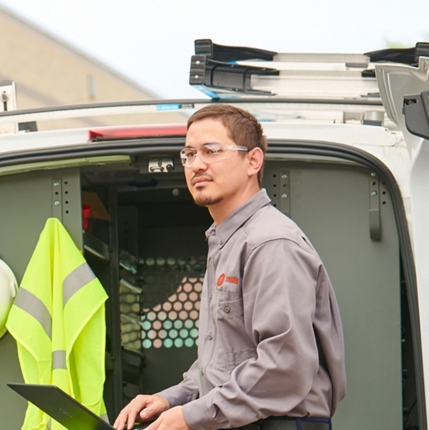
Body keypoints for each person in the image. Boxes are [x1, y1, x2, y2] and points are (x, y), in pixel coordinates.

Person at [113, 104, 346, 430]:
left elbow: (283, 367)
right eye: (189, 154)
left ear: (253, 161)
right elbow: (224, 365)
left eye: (211, 151)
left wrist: (190, 416)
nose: (197, 165)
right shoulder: (227, 241)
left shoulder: (270, 243)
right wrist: (171, 399)